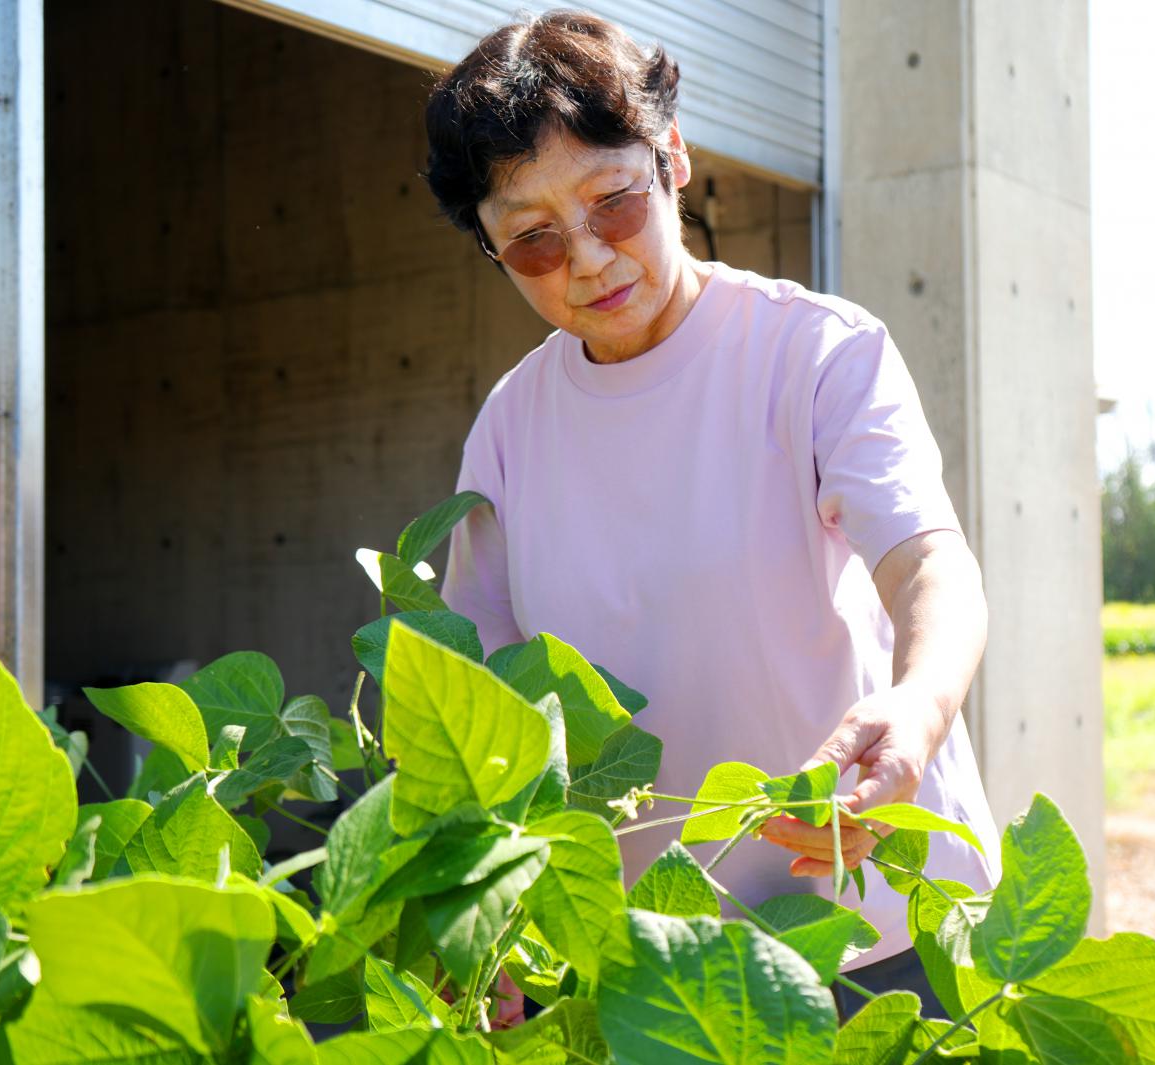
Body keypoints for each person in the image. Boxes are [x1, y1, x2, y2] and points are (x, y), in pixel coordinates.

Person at [425, 9, 1000, 1019]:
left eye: (613, 204)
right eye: (533, 241)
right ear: (491, 245)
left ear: (673, 160)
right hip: (660, 965)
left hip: (879, 926)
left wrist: (917, 708)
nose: (588, 261)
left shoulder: (815, 353)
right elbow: (479, 701)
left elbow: (927, 564)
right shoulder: (511, 430)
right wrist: (475, 904)